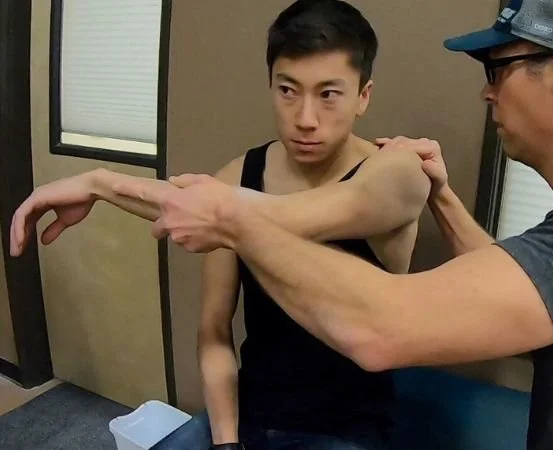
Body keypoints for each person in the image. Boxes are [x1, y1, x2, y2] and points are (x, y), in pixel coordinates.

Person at [77, 0, 553, 449]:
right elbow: (522, 321)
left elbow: (378, 330)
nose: (486, 93)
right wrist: (444, 196)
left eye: (498, 70)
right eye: (287, 89)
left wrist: (229, 216)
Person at [10, 1, 430, 449]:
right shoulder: (239, 176)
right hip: (249, 413)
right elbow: (214, 328)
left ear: (363, 96)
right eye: (288, 90)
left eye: (329, 94)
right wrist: (226, 443)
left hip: (348, 431)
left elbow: (268, 216)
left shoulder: (397, 173)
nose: (305, 119)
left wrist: (108, 185)